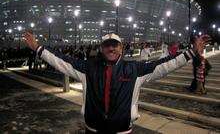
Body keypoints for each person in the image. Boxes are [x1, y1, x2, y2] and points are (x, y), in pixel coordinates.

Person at [24, 32, 209, 134]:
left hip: (122, 131)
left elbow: (164, 65)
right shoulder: (88, 68)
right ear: (101, 48)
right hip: (93, 129)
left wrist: (191, 53)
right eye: (107, 45)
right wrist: (39, 49)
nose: (111, 48)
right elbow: (61, 61)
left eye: (115, 44)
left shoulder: (135, 70)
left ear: (121, 47)